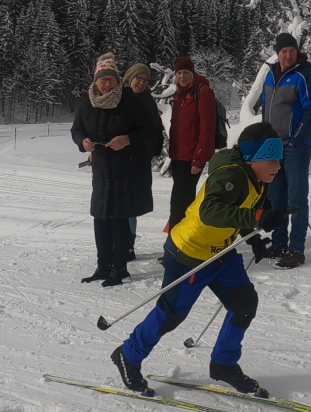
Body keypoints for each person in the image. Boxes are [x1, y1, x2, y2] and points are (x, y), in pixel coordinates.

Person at [111, 122, 293, 397]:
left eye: (278, 159)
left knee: (244, 302)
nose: (277, 166)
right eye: (271, 159)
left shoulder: (256, 177)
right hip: (189, 253)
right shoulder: (231, 175)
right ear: (252, 158)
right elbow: (211, 212)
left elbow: (238, 210)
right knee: (171, 314)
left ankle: (223, 364)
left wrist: (253, 238)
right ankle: (128, 354)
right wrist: (257, 218)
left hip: (220, 252)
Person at [71, 53, 162, 287]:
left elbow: (151, 132)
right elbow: (77, 129)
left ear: (118, 80)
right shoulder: (87, 101)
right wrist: (83, 142)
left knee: (118, 218)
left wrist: (128, 139)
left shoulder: (131, 101)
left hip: (126, 167)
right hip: (101, 168)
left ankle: (119, 269)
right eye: (103, 80)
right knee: (100, 217)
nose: (108, 84)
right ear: (96, 80)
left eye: (112, 80)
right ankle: (103, 266)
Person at [258, 32, 311, 269]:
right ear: (277, 53)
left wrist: (297, 139)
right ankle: (278, 243)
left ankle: (296, 249)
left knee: (296, 198)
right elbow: (266, 109)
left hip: (295, 147)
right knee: (275, 198)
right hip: (273, 147)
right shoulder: (270, 75)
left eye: (292, 51)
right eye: (284, 51)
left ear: (297, 53)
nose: (288, 55)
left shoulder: (305, 75)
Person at [167, 56, 217, 231]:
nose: (182, 76)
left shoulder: (203, 92)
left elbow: (207, 128)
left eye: (186, 72)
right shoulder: (179, 95)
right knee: (179, 203)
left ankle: (176, 248)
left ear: (193, 73)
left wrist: (199, 158)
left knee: (181, 204)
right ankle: (178, 245)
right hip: (178, 157)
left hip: (191, 159)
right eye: (179, 73)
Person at [123, 62, 164, 261]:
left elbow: (156, 132)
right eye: (138, 78)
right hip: (118, 159)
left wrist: (149, 153)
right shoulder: (118, 97)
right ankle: (117, 243)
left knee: (131, 205)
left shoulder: (148, 102)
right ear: (130, 78)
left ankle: (128, 245)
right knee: (116, 203)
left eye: (145, 80)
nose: (141, 83)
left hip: (138, 161)